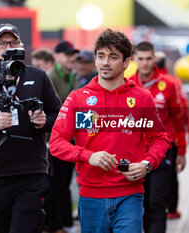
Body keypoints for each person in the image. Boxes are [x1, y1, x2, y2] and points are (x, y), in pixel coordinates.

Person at [49, 28, 169, 233]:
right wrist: (87, 156)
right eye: (101, 56)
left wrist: (146, 164)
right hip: (90, 197)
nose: (105, 62)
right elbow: (56, 143)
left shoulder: (142, 98)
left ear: (126, 62)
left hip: (130, 195)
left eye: (113, 57)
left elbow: (160, 139)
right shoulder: (78, 98)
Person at [0, 23, 61, 233]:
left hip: (31, 175)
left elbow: (60, 116)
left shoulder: (38, 76)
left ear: (21, 46)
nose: (8, 48)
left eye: (13, 42)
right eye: (2, 43)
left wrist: (45, 120)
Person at [129, 41, 186, 233]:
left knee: (156, 203)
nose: (144, 63)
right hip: (134, 154)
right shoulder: (127, 84)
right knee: (140, 203)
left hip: (162, 153)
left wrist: (182, 151)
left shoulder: (168, 84)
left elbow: (178, 119)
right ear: (134, 59)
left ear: (154, 58)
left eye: (148, 58)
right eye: (140, 59)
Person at [45, 40, 79, 233]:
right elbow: (54, 110)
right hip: (55, 141)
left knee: (65, 183)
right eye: (67, 54)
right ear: (57, 56)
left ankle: (65, 221)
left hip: (71, 139)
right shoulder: (51, 77)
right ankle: (54, 224)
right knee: (56, 183)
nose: (72, 58)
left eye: (73, 55)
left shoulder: (71, 76)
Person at [155, 49, 188, 219]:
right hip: (170, 139)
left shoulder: (138, 82)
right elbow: (181, 108)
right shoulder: (174, 82)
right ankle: (172, 209)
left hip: (155, 141)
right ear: (166, 64)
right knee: (172, 176)